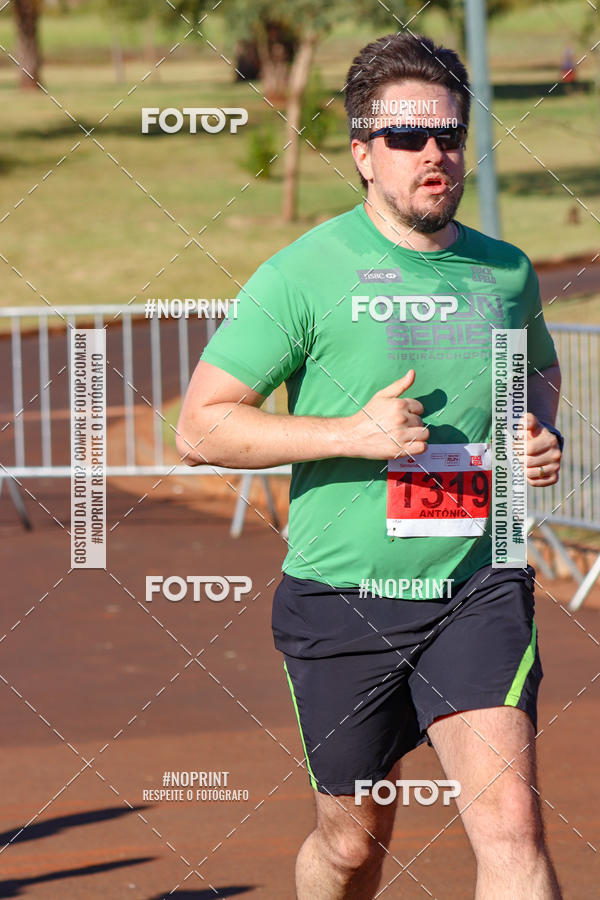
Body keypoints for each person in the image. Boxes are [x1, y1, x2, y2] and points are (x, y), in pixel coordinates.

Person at [176, 32, 564, 900]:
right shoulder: (304, 275)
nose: (434, 153)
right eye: (406, 137)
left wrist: (539, 430)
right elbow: (199, 429)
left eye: (450, 135)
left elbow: (537, 368)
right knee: (351, 845)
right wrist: (353, 433)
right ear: (362, 152)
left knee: (512, 831)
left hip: (479, 581)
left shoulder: (504, 273)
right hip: (341, 598)